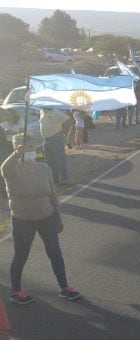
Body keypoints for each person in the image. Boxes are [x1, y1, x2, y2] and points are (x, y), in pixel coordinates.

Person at [2, 135, 81, 305]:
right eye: (23, 147)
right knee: (21, 255)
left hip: (47, 216)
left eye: (30, 146)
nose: (28, 149)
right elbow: (3, 169)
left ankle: (65, 287)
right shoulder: (13, 170)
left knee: (55, 252)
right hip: (23, 219)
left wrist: (58, 217)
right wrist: (16, 154)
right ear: (16, 149)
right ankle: (15, 291)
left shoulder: (44, 168)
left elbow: (52, 194)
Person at [39, 108, 71, 185]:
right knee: (50, 162)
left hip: (56, 140)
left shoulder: (55, 112)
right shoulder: (42, 111)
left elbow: (69, 121)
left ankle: (65, 180)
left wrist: (62, 133)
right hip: (46, 140)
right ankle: (55, 180)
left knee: (60, 161)